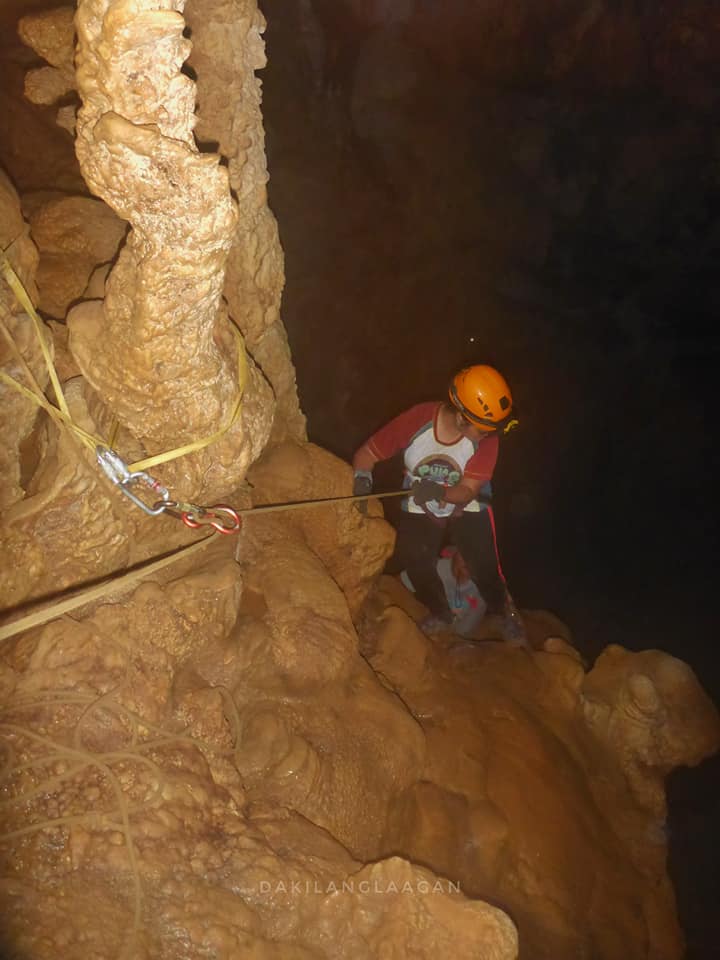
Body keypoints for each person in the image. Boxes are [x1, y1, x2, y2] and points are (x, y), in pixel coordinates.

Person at [352, 364, 526, 644]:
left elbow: (467, 491)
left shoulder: (488, 440)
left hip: (464, 501)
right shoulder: (417, 421)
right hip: (421, 495)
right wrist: (362, 481)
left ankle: (503, 612)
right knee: (415, 558)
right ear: (461, 415)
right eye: (482, 430)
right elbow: (367, 454)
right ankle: (440, 612)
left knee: (482, 565)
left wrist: (439, 492)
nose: (488, 436)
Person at [401, 547, 487, 638]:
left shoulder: (481, 596)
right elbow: (399, 586)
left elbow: (461, 635)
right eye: (465, 553)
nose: (470, 560)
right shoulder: (433, 569)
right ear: (454, 551)